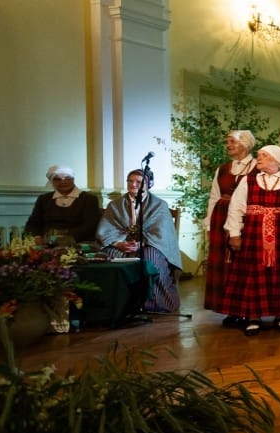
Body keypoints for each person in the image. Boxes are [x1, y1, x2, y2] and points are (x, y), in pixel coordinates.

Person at [223, 145, 280, 336]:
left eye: (264, 156)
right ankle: (253, 316)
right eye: (259, 155)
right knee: (253, 274)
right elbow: (236, 208)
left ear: (277, 160)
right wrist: (234, 233)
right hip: (253, 235)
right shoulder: (248, 181)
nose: (259, 158)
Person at [96, 168, 183, 314]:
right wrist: (119, 243)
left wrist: (141, 243)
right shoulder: (115, 205)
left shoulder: (159, 204)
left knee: (150, 258)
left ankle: (154, 302)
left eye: (138, 182)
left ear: (148, 184)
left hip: (150, 244)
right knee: (109, 255)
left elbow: (161, 233)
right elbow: (107, 229)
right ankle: (120, 303)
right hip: (122, 244)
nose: (133, 185)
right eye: (130, 181)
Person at [203, 129, 257, 324]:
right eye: (228, 142)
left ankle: (245, 308)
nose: (228, 146)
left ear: (246, 143)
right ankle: (229, 309)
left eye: (232, 142)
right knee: (223, 265)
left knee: (242, 263)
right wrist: (209, 224)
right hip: (221, 216)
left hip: (247, 218)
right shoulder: (224, 168)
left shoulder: (257, 166)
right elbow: (214, 197)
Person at [25, 165, 102, 244]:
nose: (63, 182)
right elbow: (33, 223)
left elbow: (90, 226)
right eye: (57, 179)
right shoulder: (44, 199)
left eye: (67, 178)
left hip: (79, 242)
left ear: (73, 179)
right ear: (52, 181)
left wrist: (64, 236)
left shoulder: (89, 199)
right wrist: (37, 236)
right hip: (46, 243)